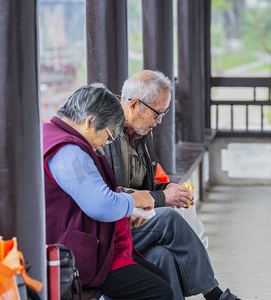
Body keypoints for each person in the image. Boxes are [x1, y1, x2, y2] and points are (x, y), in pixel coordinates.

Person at [102, 70, 240, 300]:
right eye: (157, 113)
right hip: (110, 229)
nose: (160, 121)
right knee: (169, 220)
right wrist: (162, 198)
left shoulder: (142, 132)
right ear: (135, 105)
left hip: (134, 222)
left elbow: (151, 181)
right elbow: (106, 194)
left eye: (164, 113)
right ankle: (214, 294)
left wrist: (170, 191)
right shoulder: (105, 135)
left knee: (162, 255)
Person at [43, 83, 173, 299]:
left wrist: (126, 210)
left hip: (81, 244)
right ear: (90, 122)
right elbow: (101, 206)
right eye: (109, 135)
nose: (105, 143)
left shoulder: (53, 137)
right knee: (159, 291)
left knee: (159, 277)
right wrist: (137, 199)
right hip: (74, 255)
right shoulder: (68, 152)